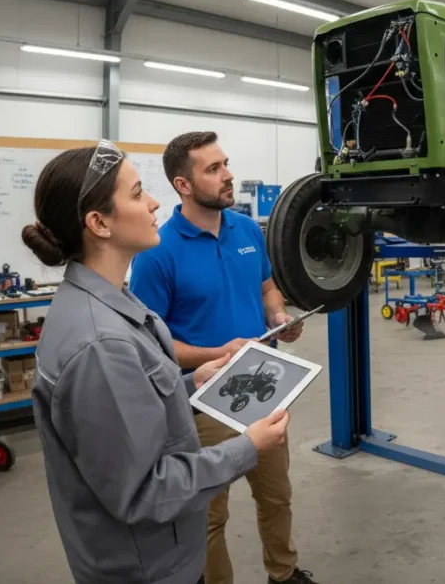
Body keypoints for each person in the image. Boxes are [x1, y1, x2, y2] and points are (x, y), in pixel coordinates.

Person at [23, 140, 290, 584]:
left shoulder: (113, 303)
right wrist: (248, 447)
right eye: (136, 193)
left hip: (165, 556)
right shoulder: (99, 345)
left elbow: (134, 404)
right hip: (149, 568)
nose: (152, 203)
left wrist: (190, 382)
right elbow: (146, 491)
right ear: (99, 223)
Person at [129, 132, 318, 584]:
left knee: (276, 497)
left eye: (225, 164)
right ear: (184, 185)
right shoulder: (158, 252)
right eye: (213, 169)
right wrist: (219, 352)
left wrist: (277, 314)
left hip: (265, 386)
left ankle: (283, 572)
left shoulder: (248, 229)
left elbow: (266, 286)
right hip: (204, 401)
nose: (228, 174)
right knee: (208, 516)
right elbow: (149, 344)